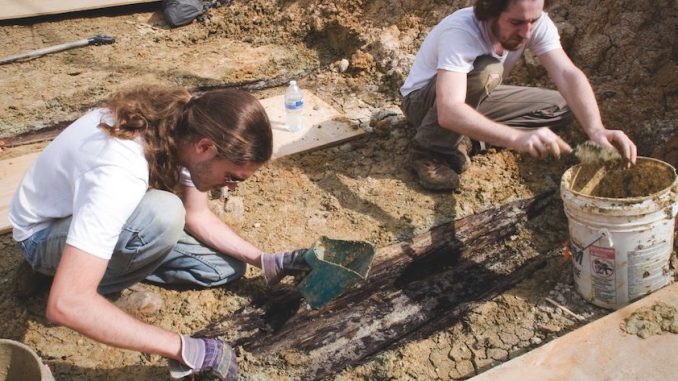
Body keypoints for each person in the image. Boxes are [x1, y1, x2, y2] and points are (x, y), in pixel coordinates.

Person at [9, 85, 309, 380]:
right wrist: (181, 348)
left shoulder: (187, 124)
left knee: (222, 268)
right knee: (163, 214)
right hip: (45, 232)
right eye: (231, 177)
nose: (230, 187)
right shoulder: (119, 172)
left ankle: (89, 265)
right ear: (206, 147)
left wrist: (265, 260)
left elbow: (198, 214)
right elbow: (66, 304)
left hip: (98, 212)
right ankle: (75, 278)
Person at [400, 0, 637, 191]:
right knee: (488, 72)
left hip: (473, 96)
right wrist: (516, 138)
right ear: (489, 12)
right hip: (424, 102)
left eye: (533, 21)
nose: (526, 33)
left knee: (563, 105)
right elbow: (449, 109)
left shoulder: (532, 22)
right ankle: (429, 151)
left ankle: (466, 135)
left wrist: (596, 129)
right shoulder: (461, 31)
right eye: (516, 22)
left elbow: (567, 74)